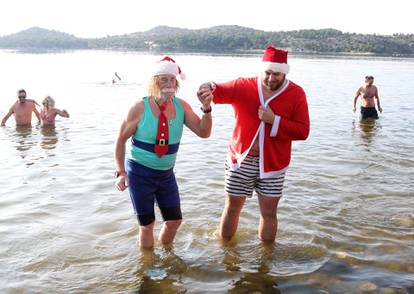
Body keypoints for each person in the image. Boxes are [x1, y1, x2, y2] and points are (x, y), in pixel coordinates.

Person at [198, 46, 310, 243]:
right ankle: (226, 255)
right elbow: (218, 90)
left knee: (269, 213)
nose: (271, 78)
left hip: (274, 164)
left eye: (276, 74)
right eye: (267, 72)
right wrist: (207, 86)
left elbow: (303, 131)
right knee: (232, 208)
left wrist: (274, 120)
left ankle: (265, 261)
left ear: (284, 73)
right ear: (262, 70)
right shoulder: (244, 85)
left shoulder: (296, 93)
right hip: (240, 159)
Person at [114, 56, 212, 249]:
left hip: (166, 175)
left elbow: (204, 132)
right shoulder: (139, 108)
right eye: (163, 79)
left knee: (174, 221)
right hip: (140, 173)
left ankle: (166, 254)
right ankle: (148, 266)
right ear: (154, 81)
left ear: (177, 82)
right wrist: (121, 173)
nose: (169, 84)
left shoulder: (181, 106)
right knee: (147, 225)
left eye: (172, 79)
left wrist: (206, 109)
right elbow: (120, 140)